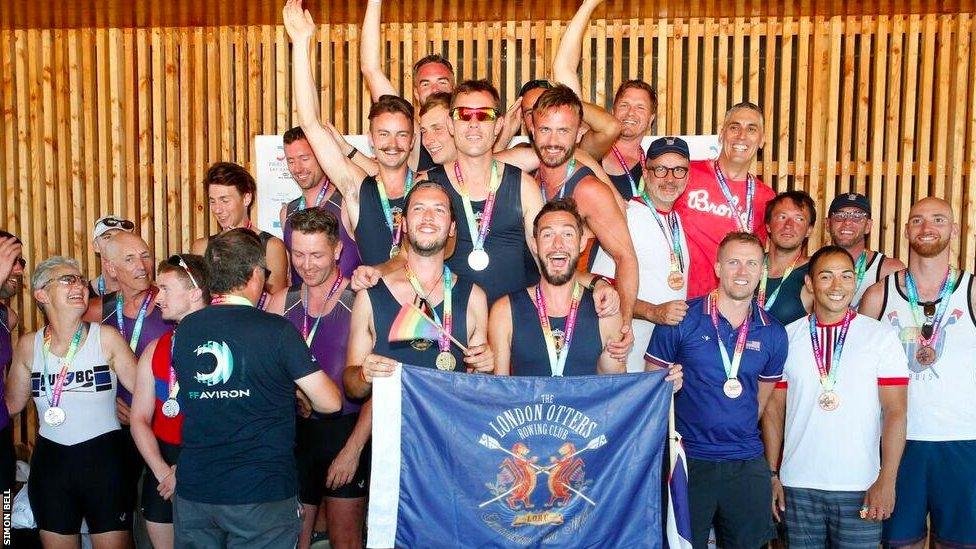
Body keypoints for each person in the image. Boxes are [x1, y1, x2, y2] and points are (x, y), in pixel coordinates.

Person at [171, 229, 342, 547]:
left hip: (196, 491)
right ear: (253, 275)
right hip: (261, 495)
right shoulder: (276, 330)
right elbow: (330, 403)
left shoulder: (185, 329)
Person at [646, 231, 788, 549]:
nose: (742, 271)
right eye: (734, 262)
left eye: (752, 263)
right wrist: (665, 387)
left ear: (762, 270)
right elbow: (650, 389)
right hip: (688, 462)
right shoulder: (680, 319)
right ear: (718, 267)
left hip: (746, 463)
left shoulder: (774, 333)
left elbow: (759, 404)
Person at [762, 245, 908, 548]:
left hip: (861, 485)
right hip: (797, 486)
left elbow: (896, 413)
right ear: (810, 284)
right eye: (826, 277)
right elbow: (774, 412)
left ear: (855, 282)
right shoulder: (787, 337)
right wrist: (772, 474)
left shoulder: (880, 337)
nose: (836, 286)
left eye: (845, 276)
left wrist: (887, 480)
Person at [859, 197, 976, 549]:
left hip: (963, 441)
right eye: (918, 220)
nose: (928, 228)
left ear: (954, 230)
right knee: (899, 543)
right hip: (897, 445)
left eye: (938, 220)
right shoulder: (879, 296)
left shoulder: (972, 292)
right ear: (907, 230)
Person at [5, 256, 137, 548]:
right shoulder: (28, 345)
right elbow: (10, 407)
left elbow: (147, 392)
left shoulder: (107, 338)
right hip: (51, 467)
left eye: (80, 279)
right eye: (67, 280)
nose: (79, 285)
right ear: (41, 294)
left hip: (104, 464)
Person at [286, 2, 419, 266]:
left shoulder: (428, 186)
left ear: (413, 140)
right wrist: (301, 44)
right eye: (383, 134)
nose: (392, 144)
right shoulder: (357, 187)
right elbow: (311, 124)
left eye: (401, 135)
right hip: (376, 304)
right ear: (370, 140)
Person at [266, 208, 368, 549]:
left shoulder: (360, 301)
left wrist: (353, 450)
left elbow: (380, 386)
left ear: (338, 251)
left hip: (347, 432)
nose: (306, 265)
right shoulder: (281, 303)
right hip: (296, 437)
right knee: (293, 539)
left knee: (345, 539)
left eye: (316, 255)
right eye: (298, 254)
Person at [343, 181, 494, 397]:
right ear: (403, 223)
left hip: (448, 428)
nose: (428, 217)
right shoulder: (371, 294)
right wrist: (363, 376)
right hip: (394, 428)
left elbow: (479, 389)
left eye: (439, 210)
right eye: (418, 208)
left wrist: (485, 367)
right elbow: (352, 389)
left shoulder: (474, 297)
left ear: (452, 227)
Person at [422, 79, 544, 303]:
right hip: (452, 327)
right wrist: (379, 271)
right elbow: (406, 260)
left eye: (484, 115)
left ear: (498, 125)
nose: (474, 124)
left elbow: (547, 263)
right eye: (464, 115)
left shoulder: (524, 187)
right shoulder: (428, 187)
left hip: (511, 329)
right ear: (451, 124)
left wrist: (596, 285)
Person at [531, 85, 639, 327]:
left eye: (563, 131)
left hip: (576, 317)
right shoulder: (529, 176)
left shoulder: (589, 190)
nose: (553, 141)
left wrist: (624, 323)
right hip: (531, 309)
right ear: (532, 128)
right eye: (545, 130)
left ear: (579, 132)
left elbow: (626, 257)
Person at [490, 199, 626, 375]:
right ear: (534, 245)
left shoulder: (605, 312)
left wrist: (665, 381)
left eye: (568, 234)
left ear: (582, 242)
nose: (558, 244)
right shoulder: (505, 311)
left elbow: (615, 391)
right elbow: (498, 391)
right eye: (547, 235)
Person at [129, 254, 210, 549]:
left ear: (195, 293)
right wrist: (163, 470)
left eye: (165, 289)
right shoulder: (155, 349)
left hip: (206, 461)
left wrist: (184, 470)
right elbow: (139, 419)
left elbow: (229, 417)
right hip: (161, 466)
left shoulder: (221, 347)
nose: (157, 297)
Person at [593, 137, 690, 373]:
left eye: (678, 170)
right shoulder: (626, 217)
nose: (669, 179)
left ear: (687, 177)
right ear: (645, 174)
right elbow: (604, 293)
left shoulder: (677, 220)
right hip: (627, 350)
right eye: (660, 169)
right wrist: (652, 311)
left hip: (664, 355)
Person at [551, 0, 657, 200]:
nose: (630, 113)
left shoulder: (658, 163)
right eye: (624, 105)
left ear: (652, 118)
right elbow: (564, 67)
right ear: (613, 111)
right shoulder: (590, 146)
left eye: (640, 108)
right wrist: (588, 5)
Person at [675, 102, 777, 299]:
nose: (742, 135)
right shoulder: (687, 174)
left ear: (762, 140)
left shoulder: (767, 198)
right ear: (722, 134)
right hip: (679, 302)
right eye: (734, 127)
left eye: (752, 129)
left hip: (731, 306)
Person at [360, 0, 454, 172]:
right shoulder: (413, 132)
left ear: (454, 89)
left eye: (442, 82)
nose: (435, 89)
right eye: (426, 84)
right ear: (417, 95)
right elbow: (370, 68)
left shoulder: (474, 128)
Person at [190, 161, 290, 296]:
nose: (217, 209)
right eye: (212, 201)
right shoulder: (201, 247)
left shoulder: (271, 246)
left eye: (225, 200)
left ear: (246, 198)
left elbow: (276, 304)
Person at [280, 126, 362, 281]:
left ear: (321, 156)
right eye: (291, 161)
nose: (297, 168)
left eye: (304, 159)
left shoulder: (347, 204)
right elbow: (291, 277)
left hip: (348, 303)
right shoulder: (287, 212)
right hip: (304, 304)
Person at [826, 192, 904, 307]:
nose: (847, 222)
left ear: (868, 226)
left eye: (857, 216)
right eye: (840, 215)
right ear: (827, 224)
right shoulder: (812, 267)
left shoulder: (889, 270)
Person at [759, 190, 816, 325]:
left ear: (809, 230)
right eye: (782, 217)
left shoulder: (815, 273)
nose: (789, 225)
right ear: (768, 225)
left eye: (799, 219)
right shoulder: (748, 266)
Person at [0, 232, 24, 493]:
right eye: (9, 259)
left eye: (20, 261)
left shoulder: (7, 317)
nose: (17, 268)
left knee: (3, 531)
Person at [89, 215, 135, 297]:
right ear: (96, 246)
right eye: (107, 237)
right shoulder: (83, 294)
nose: (114, 242)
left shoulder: (148, 291)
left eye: (120, 237)